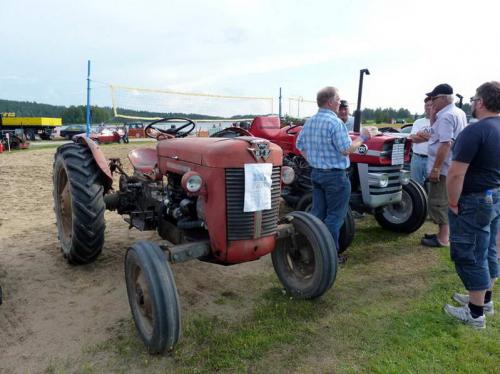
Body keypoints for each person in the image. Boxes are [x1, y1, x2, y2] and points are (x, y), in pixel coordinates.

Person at [444, 81, 500, 328]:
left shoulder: (475, 131)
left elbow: (456, 173)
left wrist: (453, 201)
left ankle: (475, 313)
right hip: (494, 195)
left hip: (474, 199)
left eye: (474, 99)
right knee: (487, 249)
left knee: (471, 253)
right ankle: (484, 299)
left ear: (480, 102)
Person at [296, 86, 376, 250]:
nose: (340, 103)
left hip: (317, 173)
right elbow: (346, 149)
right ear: (330, 102)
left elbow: (300, 145)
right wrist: (364, 137)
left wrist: (312, 161)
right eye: (338, 100)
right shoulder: (335, 122)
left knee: (318, 214)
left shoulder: (310, 122)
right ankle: (331, 255)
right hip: (335, 177)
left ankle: (312, 248)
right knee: (334, 217)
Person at [418, 84, 467, 247]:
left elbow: (445, 144)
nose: (431, 102)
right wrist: (432, 114)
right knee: (447, 201)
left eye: (434, 98)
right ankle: (443, 234)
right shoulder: (457, 112)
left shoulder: (446, 116)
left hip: (443, 167)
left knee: (439, 202)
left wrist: (436, 168)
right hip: (452, 165)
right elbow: (435, 132)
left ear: (444, 98)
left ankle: (443, 238)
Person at [408, 97, 432, 186]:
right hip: (416, 158)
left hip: (431, 159)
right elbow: (413, 138)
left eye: (430, 105)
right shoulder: (418, 122)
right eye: (426, 105)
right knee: (416, 186)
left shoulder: (439, 121)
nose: (428, 107)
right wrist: (431, 137)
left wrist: (421, 134)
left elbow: (439, 139)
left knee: (431, 186)